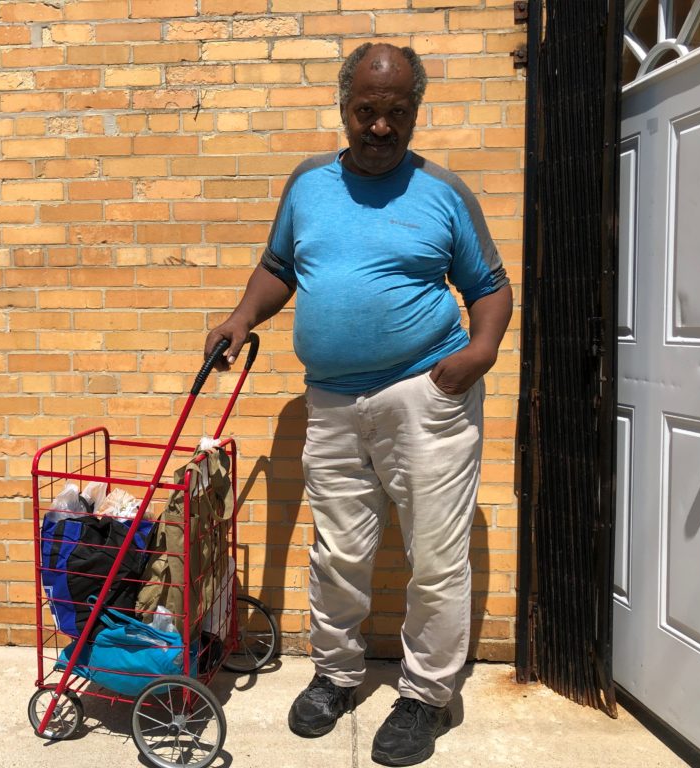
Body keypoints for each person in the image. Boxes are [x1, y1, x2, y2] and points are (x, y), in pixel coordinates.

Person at [204, 41, 512, 767]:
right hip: (332, 400)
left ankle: (425, 696)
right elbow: (279, 266)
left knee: (436, 556)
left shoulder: (443, 191)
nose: (380, 127)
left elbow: (490, 287)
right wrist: (243, 315)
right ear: (344, 108)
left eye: (396, 113)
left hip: (424, 395)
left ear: (415, 112)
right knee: (340, 549)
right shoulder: (308, 183)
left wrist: (477, 354)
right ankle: (337, 675)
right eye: (365, 111)